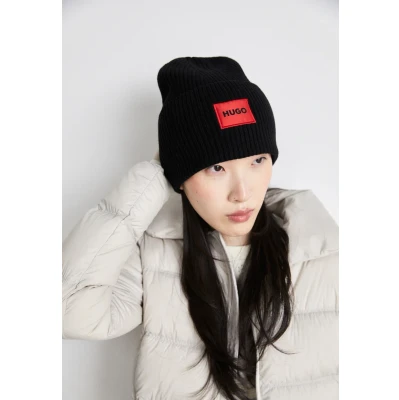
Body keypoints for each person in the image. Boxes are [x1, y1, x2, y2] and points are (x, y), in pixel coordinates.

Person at [62, 56, 339, 400]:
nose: (242, 193)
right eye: (216, 168)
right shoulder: (154, 253)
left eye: (257, 161)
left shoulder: (324, 248)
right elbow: (68, 313)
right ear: (179, 177)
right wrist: (153, 178)